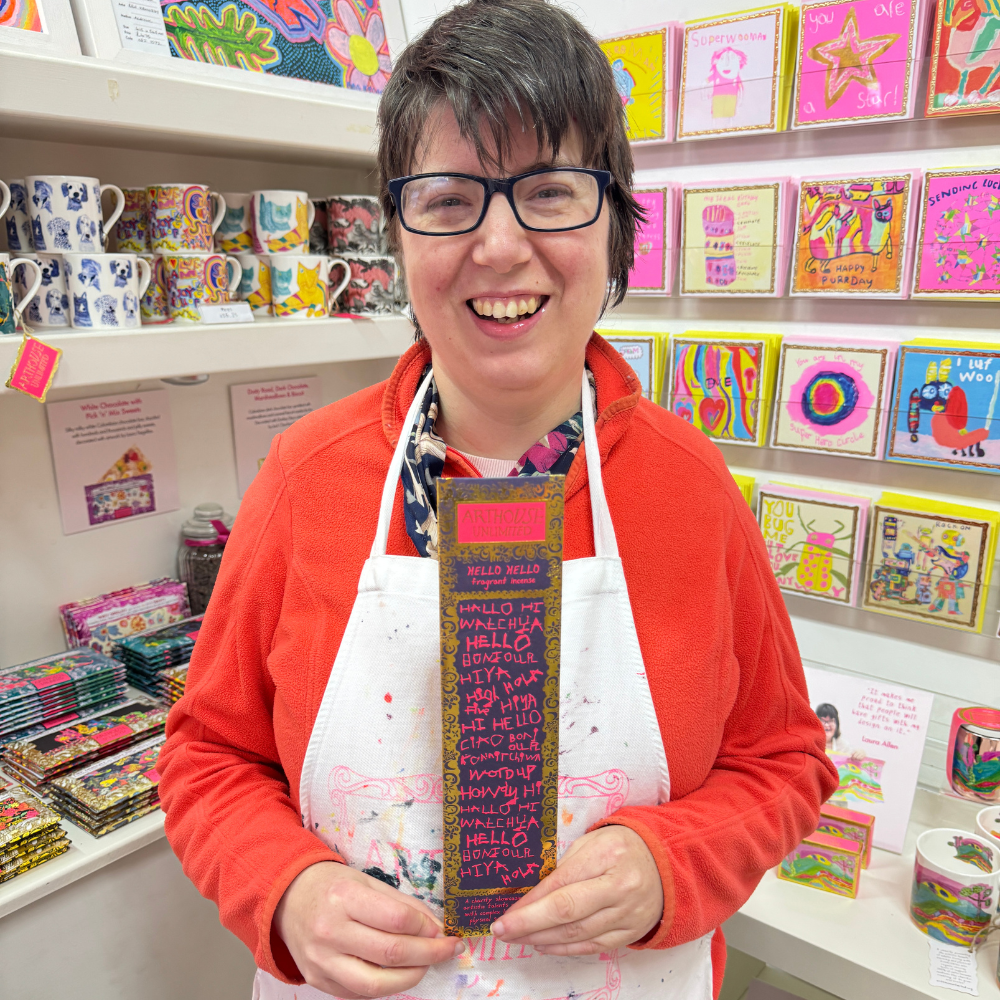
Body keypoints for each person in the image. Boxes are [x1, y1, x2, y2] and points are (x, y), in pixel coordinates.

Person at [158, 2, 838, 998]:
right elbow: (208, 755)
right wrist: (285, 887)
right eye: (447, 200)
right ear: (395, 232)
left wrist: (672, 861)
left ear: (615, 222)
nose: (499, 245)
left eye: (550, 192)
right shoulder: (308, 477)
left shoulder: (691, 489)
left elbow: (785, 760)